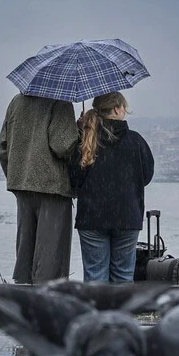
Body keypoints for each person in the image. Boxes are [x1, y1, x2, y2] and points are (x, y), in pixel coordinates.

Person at [69, 92, 154, 283]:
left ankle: (96, 312)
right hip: (127, 217)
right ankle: (121, 313)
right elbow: (146, 176)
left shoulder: (86, 140)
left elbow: (74, 178)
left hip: (92, 218)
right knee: (123, 276)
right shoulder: (136, 141)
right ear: (117, 109)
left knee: (95, 276)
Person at [0, 93, 79, 284]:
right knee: (51, 252)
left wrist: (16, 176)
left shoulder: (16, 101)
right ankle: (47, 300)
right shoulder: (60, 100)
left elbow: (3, 145)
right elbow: (62, 146)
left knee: (25, 250)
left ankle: (24, 294)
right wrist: (78, 132)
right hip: (52, 187)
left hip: (22, 184)